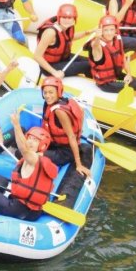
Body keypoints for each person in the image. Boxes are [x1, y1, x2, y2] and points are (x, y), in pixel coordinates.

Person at [0, 114, 58, 221]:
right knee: (2, 183)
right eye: (30, 138)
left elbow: (24, 149)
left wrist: (16, 125)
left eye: (36, 140)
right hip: (34, 212)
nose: (31, 142)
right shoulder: (43, 160)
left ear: (42, 146)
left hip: (16, 210)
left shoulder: (33, 159)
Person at [40, 77, 92, 206]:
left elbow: (71, 137)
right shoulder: (57, 103)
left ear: (58, 92)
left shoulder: (59, 111)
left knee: (33, 155)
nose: (47, 96)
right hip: (55, 144)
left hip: (64, 152)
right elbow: (82, 113)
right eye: (45, 92)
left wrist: (78, 164)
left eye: (51, 92)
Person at [33, 3, 93, 78]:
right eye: (64, 17)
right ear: (59, 18)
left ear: (74, 19)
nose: (67, 20)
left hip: (63, 59)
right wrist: (54, 72)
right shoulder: (50, 33)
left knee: (92, 61)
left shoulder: (66, 28)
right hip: (51, 66)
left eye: (70, 18)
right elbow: (37, 56)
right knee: (88, 65)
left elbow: (69, 37)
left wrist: (89, 32)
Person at [88, 15, 136, 94]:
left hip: (115, 75)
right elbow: (95, 46)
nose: (109, 33)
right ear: (101, 31)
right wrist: (97, 37)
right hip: (106, 84)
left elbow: (123, 58)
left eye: (111, 30)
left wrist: (128, 74)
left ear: (115, 30)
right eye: (106, 30)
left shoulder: (117, 40)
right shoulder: (97, 45)